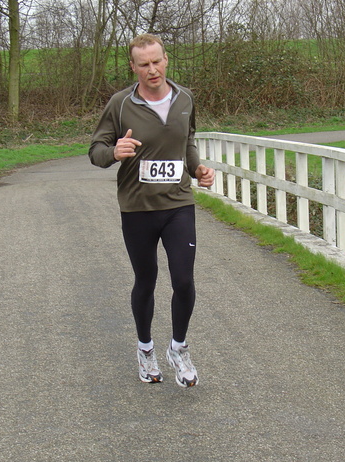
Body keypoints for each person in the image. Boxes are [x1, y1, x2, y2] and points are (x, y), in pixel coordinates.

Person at [89, 33, 215, 387]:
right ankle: (145, 349)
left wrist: (197, 170)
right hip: (137, 207)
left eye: (157, 61)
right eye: (143, 64)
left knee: (184, 279)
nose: (152, 69)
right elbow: (96, 150)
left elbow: (187, 140)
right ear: (133, 67)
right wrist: (114, 152)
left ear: (166, 60)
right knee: (146, 280)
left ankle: (178, 348)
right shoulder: (120, 104)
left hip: (178, 203)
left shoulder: (185, 98)